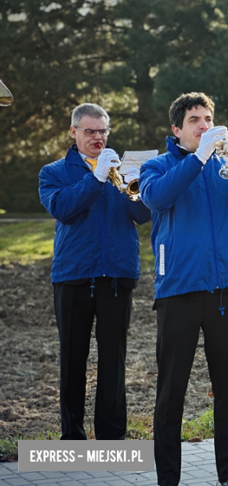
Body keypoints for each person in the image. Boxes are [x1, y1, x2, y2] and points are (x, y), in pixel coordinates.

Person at [139, 93, 228, 486]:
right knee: (171, 395)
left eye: (208, 118)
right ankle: (169, 478)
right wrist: (198, 158)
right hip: (178, 292)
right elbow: (156, 197)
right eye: (194, 119)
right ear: (176, 129)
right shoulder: (157, 166)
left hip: (227, 291)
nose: (203, 125)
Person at [39, 103, 151, 440]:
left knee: (113, 361)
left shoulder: (122, 169)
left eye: (103, 131)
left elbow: (144, 216)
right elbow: (63, 209)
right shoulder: (54, 171)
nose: (98, 137)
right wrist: (96, 177)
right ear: (73, 132)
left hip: (117, 273)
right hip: (73, 275)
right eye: (90, 131)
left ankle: (112, 436)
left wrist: (139, 187)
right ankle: (71, 437)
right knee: (73, 359)